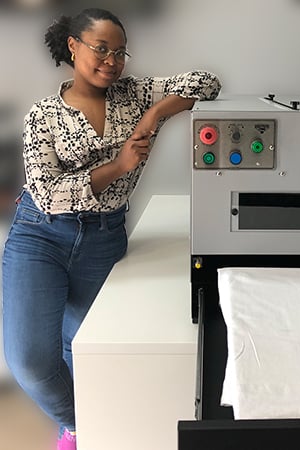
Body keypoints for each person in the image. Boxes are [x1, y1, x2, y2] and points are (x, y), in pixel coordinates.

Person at [2, 8, 221, 450]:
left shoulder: (135, 94)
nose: (112, 61)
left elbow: (207, 83)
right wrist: (119, 165)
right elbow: (48, 193)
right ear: (73, 46)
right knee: (31, 362)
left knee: (83, 349)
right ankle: (85, 428)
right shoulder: (44, 115)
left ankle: (84, 434)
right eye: (101, 49)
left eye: (120, 52)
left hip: (103, 237)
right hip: (40, 235)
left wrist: (155, 114)